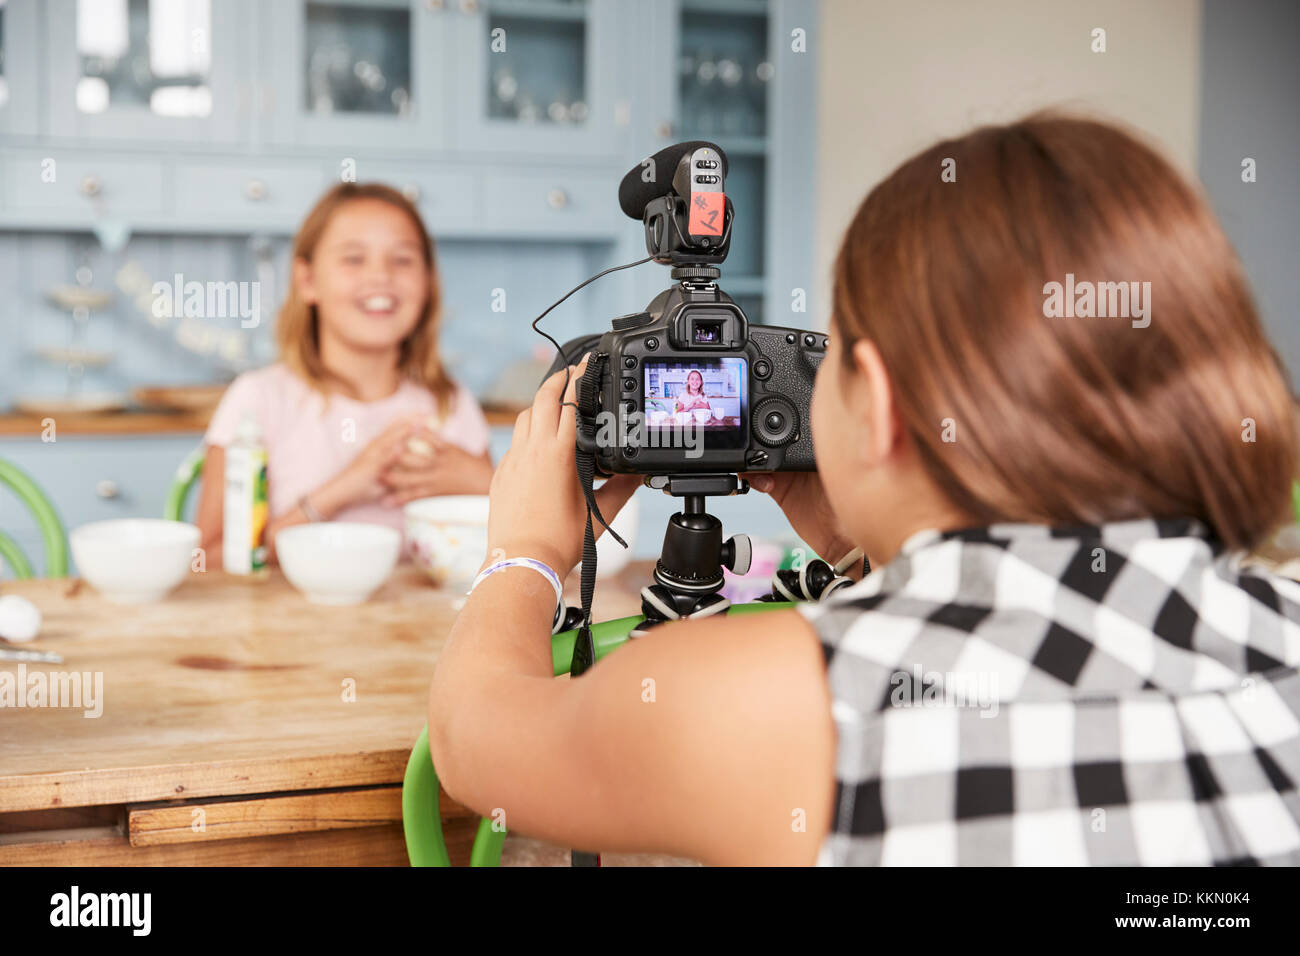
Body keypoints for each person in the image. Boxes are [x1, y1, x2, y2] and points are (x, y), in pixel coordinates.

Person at [427, 114, 1300, 866]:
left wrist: (527, 555)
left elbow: (477, 742)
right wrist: (863, 547)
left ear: (877, 402)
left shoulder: (797, 698)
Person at [196, 183, 493, 564]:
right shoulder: (259, 399)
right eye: (354, 258)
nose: (381, 276)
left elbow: (520, 544)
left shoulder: (451, 404)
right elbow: (208, 559)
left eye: (402, 260)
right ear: (308, 281)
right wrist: (342, 490)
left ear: (428, 283)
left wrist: (485, 483)